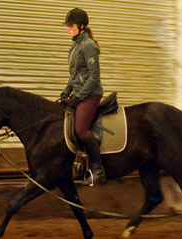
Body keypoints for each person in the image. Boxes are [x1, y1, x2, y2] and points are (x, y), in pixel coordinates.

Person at [60, 7, 106, 186]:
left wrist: (78, 96)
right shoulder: (74, 47)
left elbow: (94, 77)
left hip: (91, 94)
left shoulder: (89, 46)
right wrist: (66, 92)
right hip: (79, 93)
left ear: (81, 26)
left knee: (80, 129)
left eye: (70, 26)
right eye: (67, 26)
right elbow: (74, 76)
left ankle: (97, 169)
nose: (68, 29)